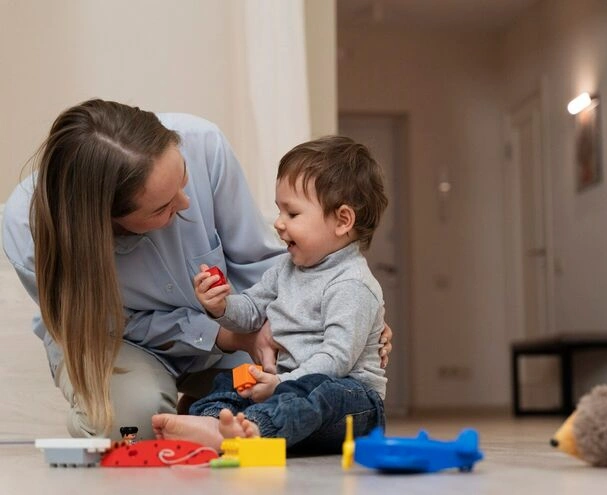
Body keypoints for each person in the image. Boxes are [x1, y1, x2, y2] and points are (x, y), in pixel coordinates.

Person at [2, 99, 393, 441]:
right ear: (107, 221)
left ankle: (203, 413)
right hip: (117, 338)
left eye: (183, 182)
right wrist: (222, 334)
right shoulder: (26, 234)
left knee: (270, 393)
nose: (186, 203)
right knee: (131, 426)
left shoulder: (202, 143)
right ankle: (188, 415)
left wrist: (330, 321)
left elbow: (263, 265)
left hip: (250, 341)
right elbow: (104, 323)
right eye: (162, 208)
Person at [152, 136, 387, 453]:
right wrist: (220, 306)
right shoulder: (286, 268)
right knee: (230, 381)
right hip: (287, 385)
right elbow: (250, 311)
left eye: (292, 214)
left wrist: (281, 384)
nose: (278, 224)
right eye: (279, 212)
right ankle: (214, 422)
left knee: (320, 395)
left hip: (352, 400)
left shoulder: (352, 283)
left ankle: (255, 430)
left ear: (343, 220)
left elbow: (336, 359)